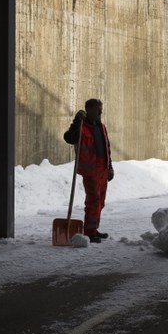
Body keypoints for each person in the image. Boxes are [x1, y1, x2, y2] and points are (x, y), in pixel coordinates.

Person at [63, 98, 114, 243]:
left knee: (100, 202)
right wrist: (76, 122)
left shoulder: (101, 127)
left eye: (101, 109)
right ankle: (89, 232)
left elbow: (107, 149)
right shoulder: (82, 127)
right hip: (91, 171)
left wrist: (110, 167)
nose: (100, 112)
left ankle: (94, 228)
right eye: (98, 109)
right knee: (93, 201)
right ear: (89, 110)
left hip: (103, 169)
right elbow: (69, 138)